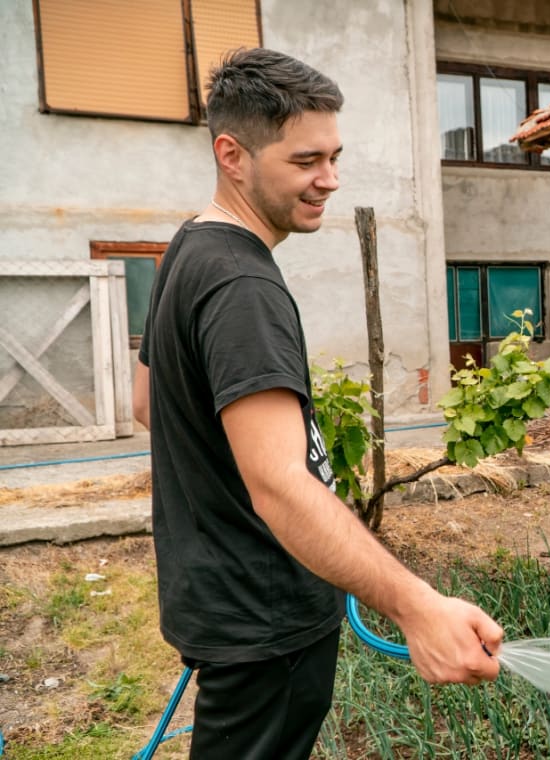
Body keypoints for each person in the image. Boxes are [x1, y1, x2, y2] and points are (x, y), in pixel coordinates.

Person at [132, 48, 502, 759]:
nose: (328, 180)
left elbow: (150, 401)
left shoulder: (187, 248)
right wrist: (418, 608)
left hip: (219, 595)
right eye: (306, 161)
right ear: (231, 154)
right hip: (263, 617)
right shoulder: (244, 287)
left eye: (334, 156)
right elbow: (278, 484)